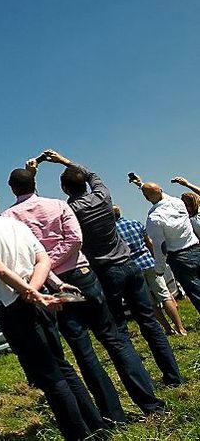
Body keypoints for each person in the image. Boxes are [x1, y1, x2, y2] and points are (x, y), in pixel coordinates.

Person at [0, 163, 164, 421]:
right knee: (114, 339)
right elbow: (75, 240)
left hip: (51, 285)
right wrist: (54, 260)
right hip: (82, 275)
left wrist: (45, 265)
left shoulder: (9, 219)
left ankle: (113, 416)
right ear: (35, 184)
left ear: (11, 189)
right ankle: (150, 404)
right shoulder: (58, 205)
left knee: (83, 350)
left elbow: (25, 256)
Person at [0, 181, 104, 441]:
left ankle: (78, 434)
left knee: (49, 377)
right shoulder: (16, 224)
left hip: (14, 305)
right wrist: (36, 290)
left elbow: (0, 270)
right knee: (62, 365)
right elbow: (44, 259)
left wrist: (30, 294)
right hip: (37, 299)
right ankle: (96, 426)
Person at [36, 150, 182, 386]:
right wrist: (64, 161)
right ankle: (174, 377)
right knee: (149, 321)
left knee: (119, 331)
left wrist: (33, 173)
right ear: (85, 183)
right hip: (129, 264)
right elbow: (92, 173)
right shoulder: (103, 196)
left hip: (105, 271)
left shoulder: (70, 210)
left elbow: (44, 212)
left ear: (64, 189)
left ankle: (141, 382)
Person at [114, 204, 186, 336]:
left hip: (133, 268)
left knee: (150, 302)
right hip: (149, 262)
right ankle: (180, 328)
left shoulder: (112, 232)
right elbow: (150, 243)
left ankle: (168, 329)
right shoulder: (135, 223)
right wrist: (158, 260)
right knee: (165, 295)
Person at [134, 177, 200, 315]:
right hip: (196, 249)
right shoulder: (178, 203)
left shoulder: (154, 218)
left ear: (146, 198)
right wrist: (141, 185)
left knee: (196, 292)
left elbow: (160, 246)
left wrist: (159, 268)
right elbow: (160, 194)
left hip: (180, 259)